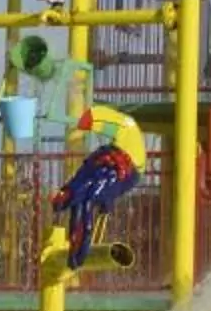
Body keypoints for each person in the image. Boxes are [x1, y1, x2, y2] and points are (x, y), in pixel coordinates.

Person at [52, 104, 145, 267]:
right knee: (85, 192)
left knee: (88, 197)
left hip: (122, 169)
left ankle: (78, 249)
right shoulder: (109, 155)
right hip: (111, 168)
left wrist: (105, 203)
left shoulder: (125, 147)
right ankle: (69, 199)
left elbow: (110, 182)